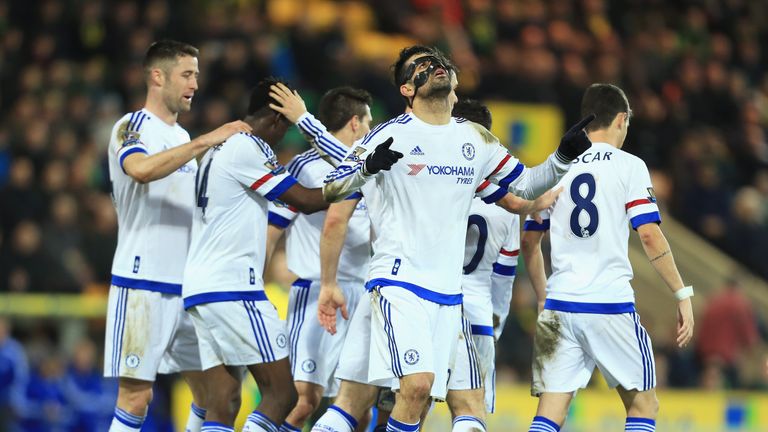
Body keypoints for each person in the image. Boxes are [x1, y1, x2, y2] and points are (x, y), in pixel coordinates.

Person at [281, 44, 593, 432]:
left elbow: (527, 185)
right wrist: (365, 167)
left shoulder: (475, 139)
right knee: (417, 386)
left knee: (405, 399)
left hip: (449, 296)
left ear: (454, 79)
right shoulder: (389, 134)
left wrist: (562, 157)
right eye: (421, 67)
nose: (434, 68)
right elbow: (331, 189)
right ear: (407, 90)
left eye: (439, 62)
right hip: (399, 283)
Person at [520, 83, 695, 432]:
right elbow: (647, 233)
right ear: (621, 119)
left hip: (561, 302)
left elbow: (530, 241)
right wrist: (681, 293)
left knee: (550, 413)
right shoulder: (629, 166)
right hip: (607, 304)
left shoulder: (556, 166)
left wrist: (543, 295)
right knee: (644, 405)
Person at [104, 39, 252, 432]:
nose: (195, 85)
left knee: (218, 394)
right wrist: (207, 140)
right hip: (142, 284)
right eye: (186, 74)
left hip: (187, 287)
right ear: (157, 76)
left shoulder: (183, 138)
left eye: (197, 76)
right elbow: (139, 170)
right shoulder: (131, 127)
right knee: (136, 396)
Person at [181, 77, 330, 432]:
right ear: (278, 120)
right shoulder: (250, 147)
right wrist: (360, 178)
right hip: (233, 288)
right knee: (282, 393)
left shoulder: (218, 148)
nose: (285, 138)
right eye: (288, 127)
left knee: (224, 398)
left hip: (199, 288)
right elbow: (307, 202)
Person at [264, 86, 374, 431]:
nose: (373, 129)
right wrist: (255, 281)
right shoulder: (303, 167)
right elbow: (273, 227)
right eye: (369, 121)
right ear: (355, 123)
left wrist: (304, 120)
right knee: (302, 401)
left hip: (364, 296)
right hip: (315, 294)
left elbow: (351, 162)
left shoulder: (370, 170)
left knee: (358, 408)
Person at [447, 99, 521, 422]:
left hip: (429, 303)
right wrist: (497, 322)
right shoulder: (508, 204)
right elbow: (504, 275)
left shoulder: (436, 183)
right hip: (478, 311)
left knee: (410, 403)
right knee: (470, 411)